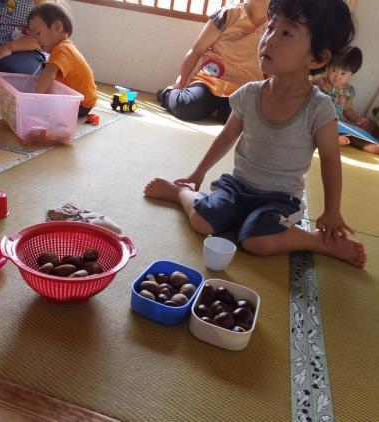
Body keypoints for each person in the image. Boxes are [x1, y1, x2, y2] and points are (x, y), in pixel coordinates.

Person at [145, 0, 367, 268]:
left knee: (256, 242)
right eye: (270, 27)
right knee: (203, 221)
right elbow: (226, 137)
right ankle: (180, 194)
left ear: (317, 58)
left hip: (279, 199)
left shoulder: (319, 108)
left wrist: (332, 210)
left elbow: (331, 160)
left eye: (286, 32)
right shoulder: (249, 94)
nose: (269, 39)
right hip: (237, 187)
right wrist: (197, 174)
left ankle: (316, 241)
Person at [156, 0, 268, 122]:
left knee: (248, 119)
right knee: (186, 105)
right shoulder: (228, 14)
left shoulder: (277, 24)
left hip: (245, 90)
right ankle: (167, 95)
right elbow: (196, 50)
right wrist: (180, 83)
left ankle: (217, 111)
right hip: (211, 82)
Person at [27, 2, 97, 116]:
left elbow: (48, 74)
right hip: (81, 100)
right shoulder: (64, 47)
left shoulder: (61, 49)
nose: (37, 41)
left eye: (38, 33)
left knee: (43, 112)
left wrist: (34, 98)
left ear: (57, 27)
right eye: (34, 37)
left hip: (81, 104)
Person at [314, 47, 379, 154]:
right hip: (320, 118)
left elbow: (347, 110)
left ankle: (366, 145)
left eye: (343, 73)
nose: (337, 76)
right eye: (334, 70)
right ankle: (332, 139)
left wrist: (357, 119)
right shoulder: (321, 81)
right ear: (328, 66)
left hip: (338, 123)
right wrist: (319, 88)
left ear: (351, 74)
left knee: (352, 134)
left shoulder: (348, 91)